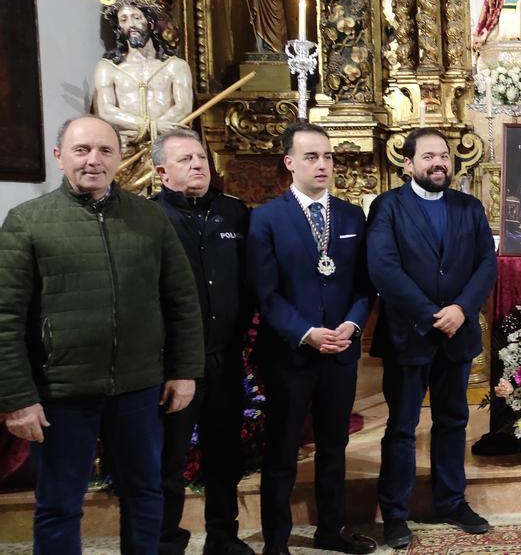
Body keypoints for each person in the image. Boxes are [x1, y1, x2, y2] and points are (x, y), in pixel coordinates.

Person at [0, 115, 204, 554]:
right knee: (58, 505)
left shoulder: (148, 217)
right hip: (61, 393)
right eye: (81, 150)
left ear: (120, 158)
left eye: (105, 150)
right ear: (59, 157)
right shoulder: (26, 222)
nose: (93, 160)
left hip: (138, 388)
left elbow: (182, 301)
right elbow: (4, 318)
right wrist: (17, 397)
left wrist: (185, 370)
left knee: (145, 495)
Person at [247, 121, 376, 554]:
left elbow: (364, 285)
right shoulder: (266, 218)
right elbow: (265, 294)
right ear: (289, 163)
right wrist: (306, 333)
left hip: (339, 350)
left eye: (328, 156)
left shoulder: (351, 215)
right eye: (311, 157)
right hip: (291, 354)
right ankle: (277, 541)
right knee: (282, 451)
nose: (323, 165)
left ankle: (332, 529)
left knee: (334, 447)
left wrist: (352, 325)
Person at [367, 128, 498, 549]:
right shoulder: (388, 207)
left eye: (443, 156)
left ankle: (451, 500)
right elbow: (384, 269)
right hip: (410, 335)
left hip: (456, 334)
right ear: (408, 164)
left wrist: (461, 309)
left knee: (453, 421)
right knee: (403, 427)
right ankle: (395, 512)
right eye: (428, 157)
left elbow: (486, 265)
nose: (438, 163)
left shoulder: (469, 206)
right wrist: (430, 314)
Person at [150, 128, 254, 555]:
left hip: (226, 356)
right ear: (162, 172)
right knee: (169, 460)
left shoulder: (235, 212)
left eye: (201, 158)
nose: (198, 165)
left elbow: (251, 278)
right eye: (185, 160)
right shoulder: (151, 217)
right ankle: (166, 541)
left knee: (224, 454)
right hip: (173, 364)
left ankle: (223, 536)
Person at [93, 0, 193, 148]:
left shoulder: (176, 66)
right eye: (124, 20)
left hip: (167, 144)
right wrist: (152, 126)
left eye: (137, 17)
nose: (131, 24)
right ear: (119, 27)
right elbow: (106, 110)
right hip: (127, 145)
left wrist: (157, 134)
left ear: (150, 23)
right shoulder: (107, 68)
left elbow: (183, 107)